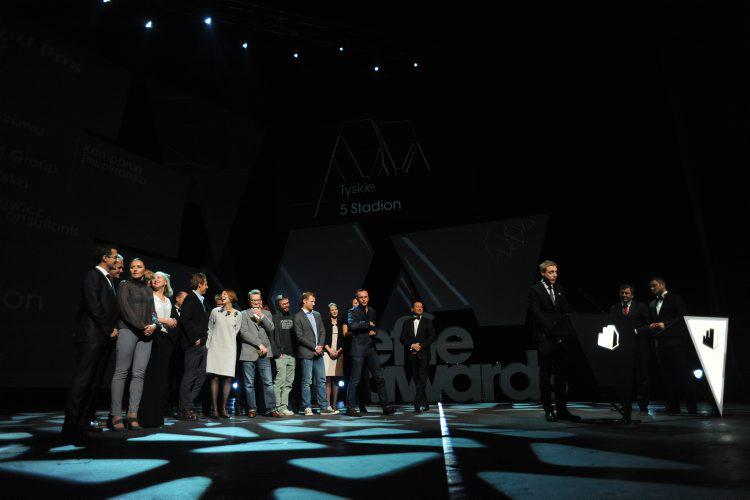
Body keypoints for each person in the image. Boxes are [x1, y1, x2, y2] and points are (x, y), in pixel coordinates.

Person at [63, 245, 120, 438]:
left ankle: (83, 421)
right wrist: (108, 329)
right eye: (114, 257)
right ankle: (71, 425)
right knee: (83, 380)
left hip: (103, 338)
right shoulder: (93, 276)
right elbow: (93, 305)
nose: (116, 260)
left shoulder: (109, 280)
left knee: (94, 382)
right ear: (105, 258)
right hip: (91, 337)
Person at [528, 260, 580, 422]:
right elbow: (537, 313)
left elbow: (566, 311)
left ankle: (562, 410)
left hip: (560, 337)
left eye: (556, 272)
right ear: (543, 273)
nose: (554, 275)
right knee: (545, 374)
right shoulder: (535, 290)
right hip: (545, 337)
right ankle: (548, 410)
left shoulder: (559, 289)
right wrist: (552, 329)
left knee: (561, 375)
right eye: (551, 272)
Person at [110, 258, 158, 430]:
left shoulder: (148, 288)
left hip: (146, 334)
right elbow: (124, 309)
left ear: (144, 269)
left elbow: (153, 312)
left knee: (139, 374)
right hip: (128, 330)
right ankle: (116, 415)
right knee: (121, 373)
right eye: (132, 267)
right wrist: (142, 326)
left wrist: (154, 325)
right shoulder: (125, 284)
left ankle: (132, 415)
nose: (135, 269)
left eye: (139, 267)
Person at [647, 277, 696, 414]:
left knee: (683, 374)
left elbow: (683, 317)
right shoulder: (652, 304)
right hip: (661, 344)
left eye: (654, 285)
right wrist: (652, 326)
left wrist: (665, 324)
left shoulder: (675, 299)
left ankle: (692, 406)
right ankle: (673, 406)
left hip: (677, 343)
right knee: (667, 377)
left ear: (662, 285)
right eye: (650, 287)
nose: (652, 288)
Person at [139, 272, 179, 427]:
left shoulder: (168, 300)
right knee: (151, 376)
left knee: (162, 379)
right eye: (154, 278)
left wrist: (173, 321)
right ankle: (145, 417)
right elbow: (147, 314)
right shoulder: (149, 295)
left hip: (165, 339)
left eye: (159, 278)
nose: (155, 279)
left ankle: (157, 417)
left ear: (166, 283)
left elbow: (172, 320)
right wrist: (166, 320)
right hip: (153, 336)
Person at [346, 289, 394, 416]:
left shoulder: (372, 311)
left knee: (380, 378)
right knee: (355, 380)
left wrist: (374, 331)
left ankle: (386, 406)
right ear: (357, 299)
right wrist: (368, 324)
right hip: (358, 349)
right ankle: (350, 408)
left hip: (371, 348)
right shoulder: (352, 311)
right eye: (361, 297)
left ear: (368, 297)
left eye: (365, 297)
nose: (364, 299)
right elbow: (352, 326)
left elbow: (374, 327)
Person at [239, 290, 283, 418]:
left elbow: (271, 328)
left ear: (261, 300)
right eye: (254, 300)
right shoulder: (243, 314)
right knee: (249, 383)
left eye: (258, 300)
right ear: (249, 301)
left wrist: (262, 316)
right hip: (249, 352)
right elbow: (244, 332)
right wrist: (259, 344)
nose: (256, 303)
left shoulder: (267, 313)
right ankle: (252, 408)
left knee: (268, 382)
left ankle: (271, 408)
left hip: (264, 354)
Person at [295, 291, 339, 416]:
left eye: (314, 301)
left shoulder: (317, 314)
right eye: (312, 301)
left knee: (321, 380)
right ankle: (307, 407)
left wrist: (319, 346)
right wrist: (314, 347)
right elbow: (299, 336)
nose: (314, 303)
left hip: (319, 353)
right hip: (306, 353)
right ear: (304, 301)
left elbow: (322, 331)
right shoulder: (298, 316)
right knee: (307, 381)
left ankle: (324, 406)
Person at [609, 284, 652, 413]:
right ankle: (624, 403)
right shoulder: (614, 308)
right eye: (622, 293)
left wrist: (635, 331)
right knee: (623, 377)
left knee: (641, 376)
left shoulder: (641, 306)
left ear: (632, 295)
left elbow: (648, 325)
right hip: (622, 347)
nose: (624, 295)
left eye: (626, 293)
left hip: (639, 345)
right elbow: (611, 325)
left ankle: (643, 404)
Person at [178, 273, 210, 421]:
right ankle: (185, 408)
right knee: (190, 375)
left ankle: (188, 403)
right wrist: (195, 338)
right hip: (193, 344)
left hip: (201, 343)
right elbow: (185, 320)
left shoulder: (200, 300)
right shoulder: (191, 298)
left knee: (201, 375)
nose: (207, 287)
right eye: (206, 283)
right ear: (200, 284)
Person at [205, 290, 242, 418]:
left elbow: (235, 332)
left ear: (231, 297)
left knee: (228, 378)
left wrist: (228, 342)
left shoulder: (238, 314)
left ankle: (223, 408)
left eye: (225, 294)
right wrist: (208, 345)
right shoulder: (215, 311)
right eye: (222, 294)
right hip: (215, 347)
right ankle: (215, 409)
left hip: (229, 348)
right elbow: (210, 329)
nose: (223, 296)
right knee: (214, 377)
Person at [399, 300, 436, 413]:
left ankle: (417, 403)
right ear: (412, 309)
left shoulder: (428, 322)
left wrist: (421, 346)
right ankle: (425, 403)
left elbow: (431, 337)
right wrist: (412, 345)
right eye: (417, 306)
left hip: (424, 354)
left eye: (421, 307)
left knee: (422, 379)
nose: (420, 308)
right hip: (412, 355)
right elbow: (402, 338)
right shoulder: (406, 322)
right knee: (417, 380)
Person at [271, 294, 297, 416]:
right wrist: (277, 353)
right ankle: (277, 407)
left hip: (292, 355)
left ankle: (284, 406)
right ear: (278, 306)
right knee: (279, 382)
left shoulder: (292, 317)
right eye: (283, 304)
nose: (286, 305)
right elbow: (271, 337)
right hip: (281, 355)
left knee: (288, 383)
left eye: (287, 303)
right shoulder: (275, 318)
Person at [324, 303, 345, 409]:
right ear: (329, 312)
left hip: (339, 353)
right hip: (327, 353)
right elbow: (322, 338)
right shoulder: (325, 323)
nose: (334, 311)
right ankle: (328, 404)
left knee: (336, 379)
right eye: (332, 310)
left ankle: (334, 404)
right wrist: (330, 351)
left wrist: (338, 351)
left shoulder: (341, 323)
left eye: (336, 309)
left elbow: (344, 340)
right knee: (327, 379)